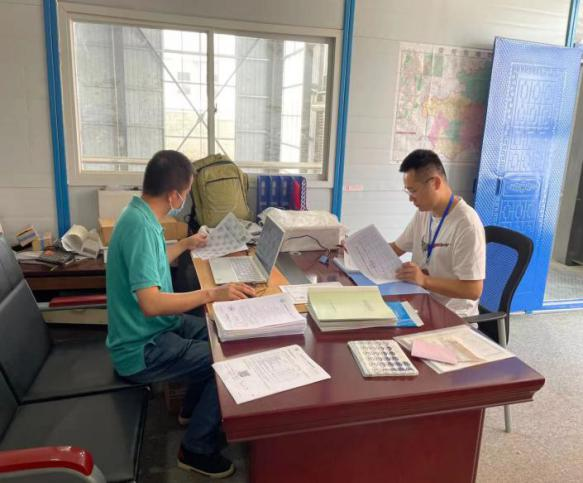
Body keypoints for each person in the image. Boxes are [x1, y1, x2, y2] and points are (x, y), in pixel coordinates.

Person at [106, 149, 255, 478]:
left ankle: (191, 411)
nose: (185, 199)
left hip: (150, 329)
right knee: (226, 361)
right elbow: (151, 303)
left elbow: (153, 260)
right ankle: (195, 449)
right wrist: (212, 293)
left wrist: (187, 244)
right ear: (174, 195)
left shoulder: (139, 214)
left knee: (216, 329)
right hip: (141, 348)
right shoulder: (141, 228)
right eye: (186, 192)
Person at [391, 149, 485, 317]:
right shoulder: (424, 213)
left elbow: (473, 290)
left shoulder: (466, 224)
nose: (410, 198)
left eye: (413, 191)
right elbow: (396, 248)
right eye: (408, 191)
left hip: (453, 316)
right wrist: (356, 252)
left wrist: (424, 280)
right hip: (421, 302)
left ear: (435, 183)